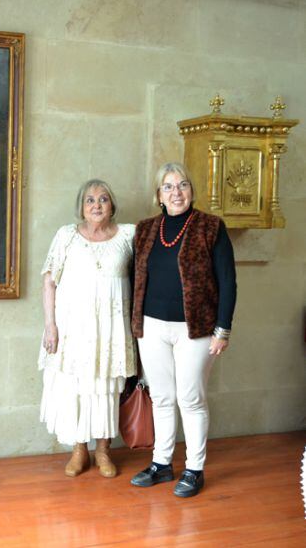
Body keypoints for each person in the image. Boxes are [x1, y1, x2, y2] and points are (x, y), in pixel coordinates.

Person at [130, 162, 236, 498]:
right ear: (158, 195)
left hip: (197, 327)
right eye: (168, 186)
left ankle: (194, 469)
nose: (176, 192)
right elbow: (136, 279)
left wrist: (223, 329)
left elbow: (228, 282)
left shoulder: (210, 227)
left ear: (191, 190)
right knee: (162, 397)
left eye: (183, 185)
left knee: (190, 398)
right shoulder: (145, 230)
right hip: (151, 326)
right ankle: (161, 464)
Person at [38, 179, 136, 478]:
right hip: (72, 328)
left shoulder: (129, 235)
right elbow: (49, 282)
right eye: (90, 200)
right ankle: (79, 450)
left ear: (112, 205)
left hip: (111, 328)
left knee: (107, 389)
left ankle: (104, 450)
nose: (97, 205)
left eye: (103, 199)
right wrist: (50, 325)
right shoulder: (66, 235)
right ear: (81, 207)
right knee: (76, 388)